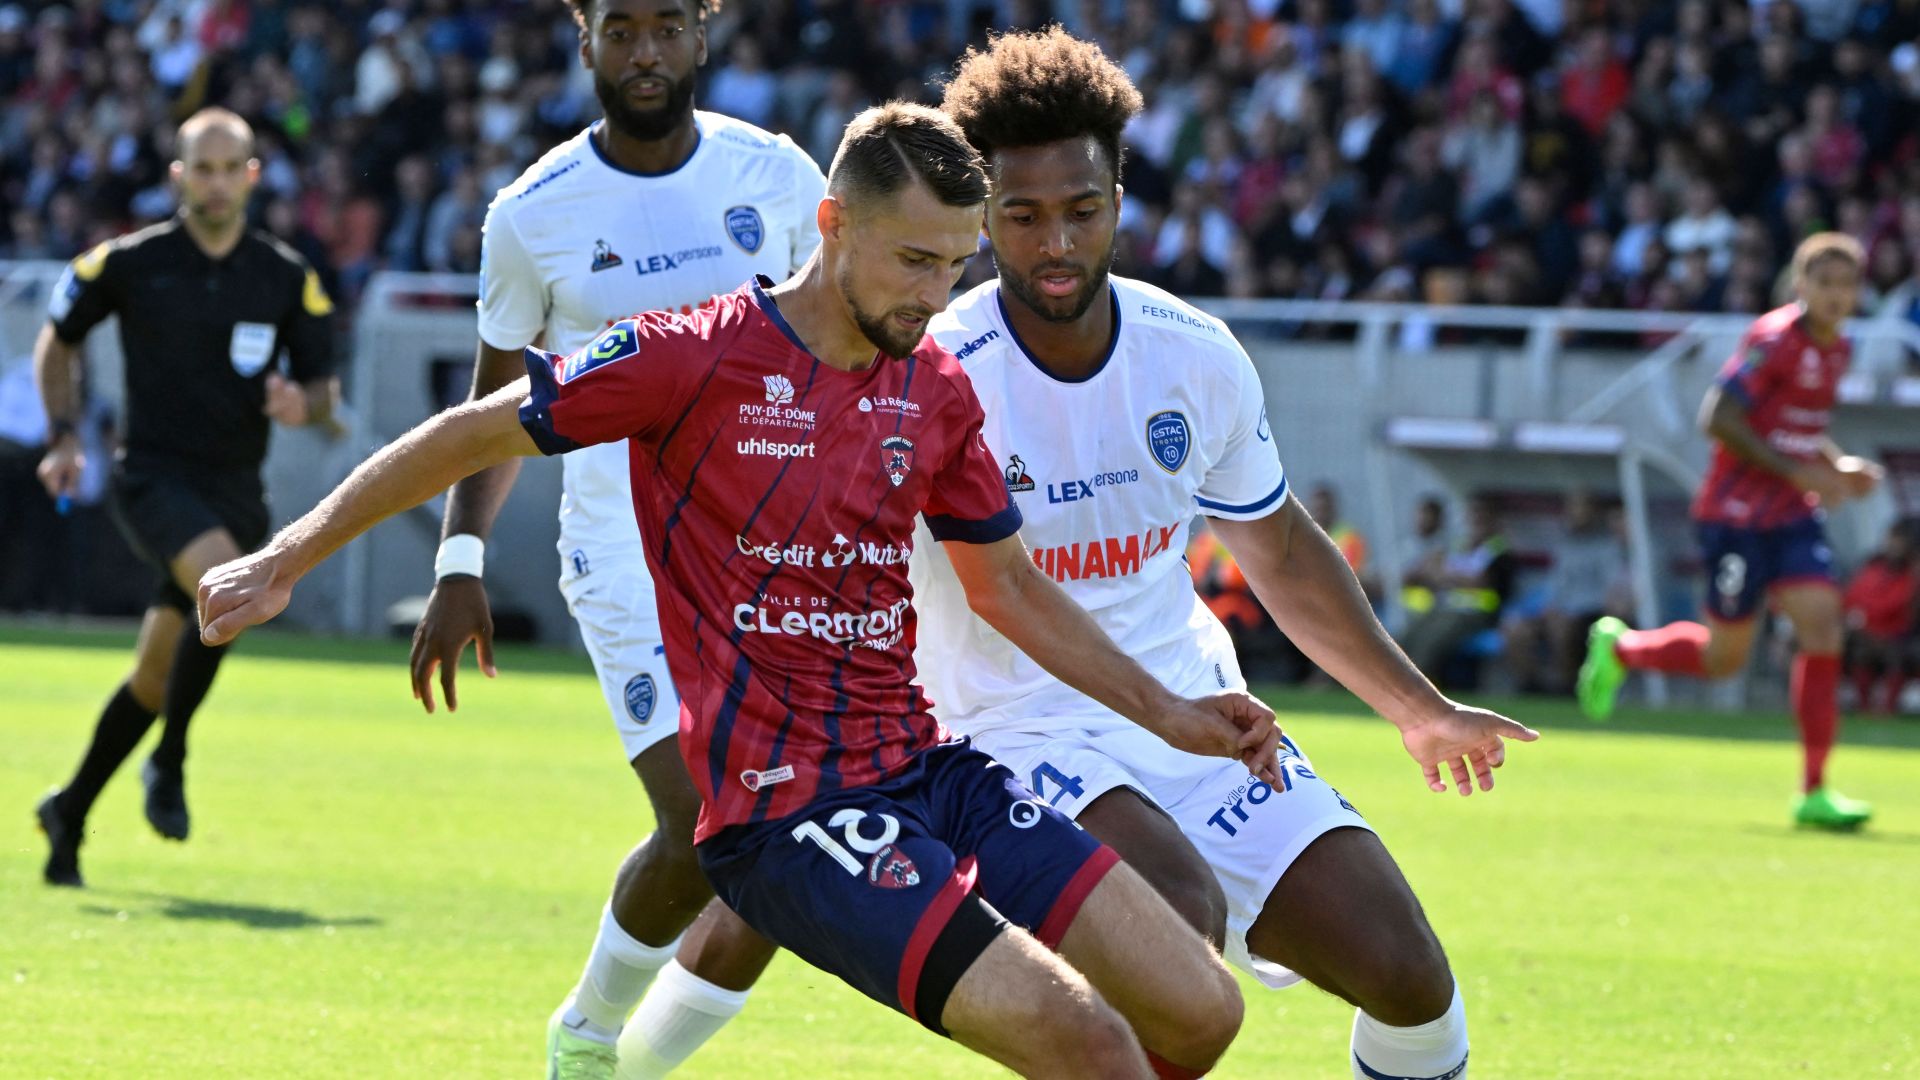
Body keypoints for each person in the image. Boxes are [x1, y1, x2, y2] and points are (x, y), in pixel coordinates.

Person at [199, 103, 1287, 1080]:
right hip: (785, 811)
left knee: (1203, 1012)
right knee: (1087, 1044)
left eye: (956, 267)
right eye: (914, 260)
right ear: (833, 224)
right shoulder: (690, 357)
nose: (935, 296)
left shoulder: (935, 387)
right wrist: (283, 558)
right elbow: (468, 433)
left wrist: (1170, 712)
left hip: (927, 768)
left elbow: (1008, 586)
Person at [904, 29, 1536, 1080]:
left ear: (1120, 201)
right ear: (980, 217)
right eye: (1022, 215)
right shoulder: (938, 375)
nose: (1056, 242)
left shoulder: (1192, 354)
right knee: (1175, 929)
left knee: (1410, 978)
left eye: (1081, 209)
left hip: (1196, 714)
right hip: (1010, 728)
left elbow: (1278, 547)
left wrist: (1418, 709)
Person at [399, 0, 827, 1073]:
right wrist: (460, 562)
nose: (646, 53)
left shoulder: (777, 176)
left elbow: (844, 347)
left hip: (772, 558)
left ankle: (625, 1063)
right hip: (624, 554)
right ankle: (587, 1037)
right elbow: (491, 408)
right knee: (697, 818)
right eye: (622, 29)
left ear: (703, 36)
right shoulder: (532, 213)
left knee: (782, 836)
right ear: (584, 37)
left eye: (668, 27)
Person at [31, 107, 339, 888]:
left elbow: (324, 390)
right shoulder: (130, 262)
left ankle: (69, 810)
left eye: (230, 167)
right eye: (201, 168)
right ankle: (169, 760)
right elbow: (58, 338)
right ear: (178, 176)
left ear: (253, 176)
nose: (216, 182)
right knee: (228, 585)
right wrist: (63, 435)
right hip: (153, 477)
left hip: (237, 490)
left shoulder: (285, 276)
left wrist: (302, 404)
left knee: (154, 675)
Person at [1579, 232, 1882, 830]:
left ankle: (1814, 790)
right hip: (1736, 516)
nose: (1835, 295)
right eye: (1824, 283)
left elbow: (1794, 425)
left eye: (1846, 285)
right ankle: (1621, 648)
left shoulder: (1839, 347)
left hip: (1792, 515)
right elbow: (1718, 417)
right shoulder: (1773, 340)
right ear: (1800, 285)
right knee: (1723, 660)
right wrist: (1798, 471)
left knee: (1824, 628)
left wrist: (1836, 464)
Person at [1501, 493, 1629, 694]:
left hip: (1590, 614)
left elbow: (1610, 590)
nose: (1575, 513)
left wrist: (1570, 611)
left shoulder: (1608, 547)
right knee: (1515, 629)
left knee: (1561, 627)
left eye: (1581, 507)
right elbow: (1555, 586)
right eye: (1572, 508)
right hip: (1559, 612)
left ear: (1593, 512)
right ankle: (1531, 686)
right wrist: (1551, 607)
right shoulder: (1565, 546)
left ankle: (1567, 687)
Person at [1399, 495, 1518, 683]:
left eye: (1482, 515)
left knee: (1431, 641)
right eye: (1473, 514)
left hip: (1477, 614)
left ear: (1493, 519)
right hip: (1445, 608)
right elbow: (1431, 572)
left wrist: (1448, 576)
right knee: (1408, 635)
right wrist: (1451, 577)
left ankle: (1412, 686)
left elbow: (1482, 582)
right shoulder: (1460, 546)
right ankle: (1388, 682)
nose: (1477, 520)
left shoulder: (1499, 550)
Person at [1842, 519, 1917, 715]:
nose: (1893, 545)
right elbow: (1852, 598)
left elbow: (1901, 605)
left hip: (1901, 636)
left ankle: (1887, 709)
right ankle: (1864, 708)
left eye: (1899, 540)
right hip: (1867, 633)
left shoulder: (1912, 573)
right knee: (1861, 650)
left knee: (1896, 655)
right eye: (1892, 538)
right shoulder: (1872, 567)